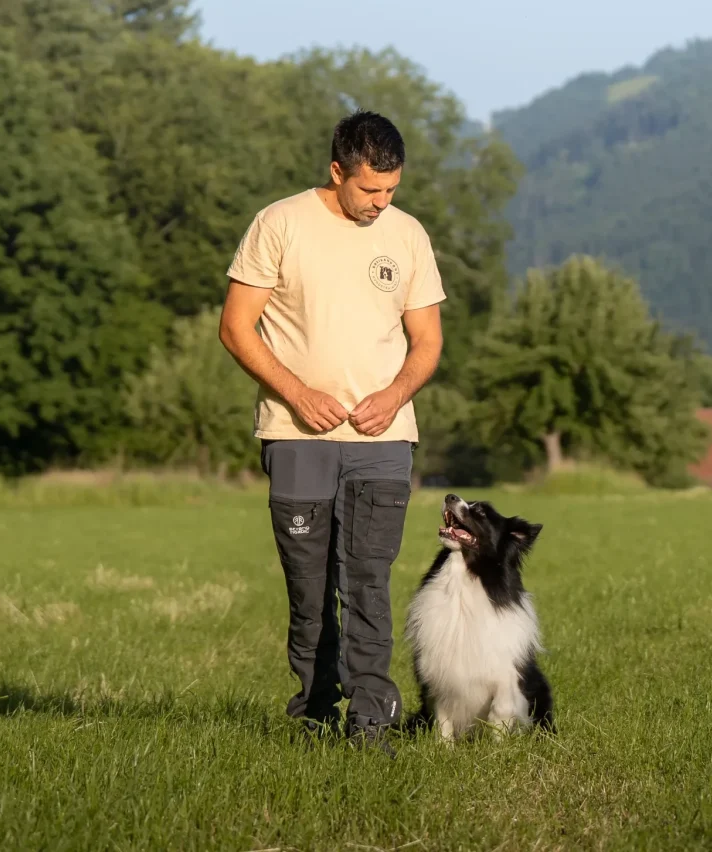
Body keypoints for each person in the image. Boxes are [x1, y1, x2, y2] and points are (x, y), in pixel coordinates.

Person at [218, 109, 445, 755]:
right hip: (296, 438)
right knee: (309, 588)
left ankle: (370, 720)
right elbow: (236, 327)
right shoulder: (279, 223)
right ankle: (315, 712)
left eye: (391, 191)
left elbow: (426, 341)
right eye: (369, 189)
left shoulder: (406, 235)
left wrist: (395, 394)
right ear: (336, 170)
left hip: (383, 442)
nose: (381, 203)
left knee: (368, 582)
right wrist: (296, 393)